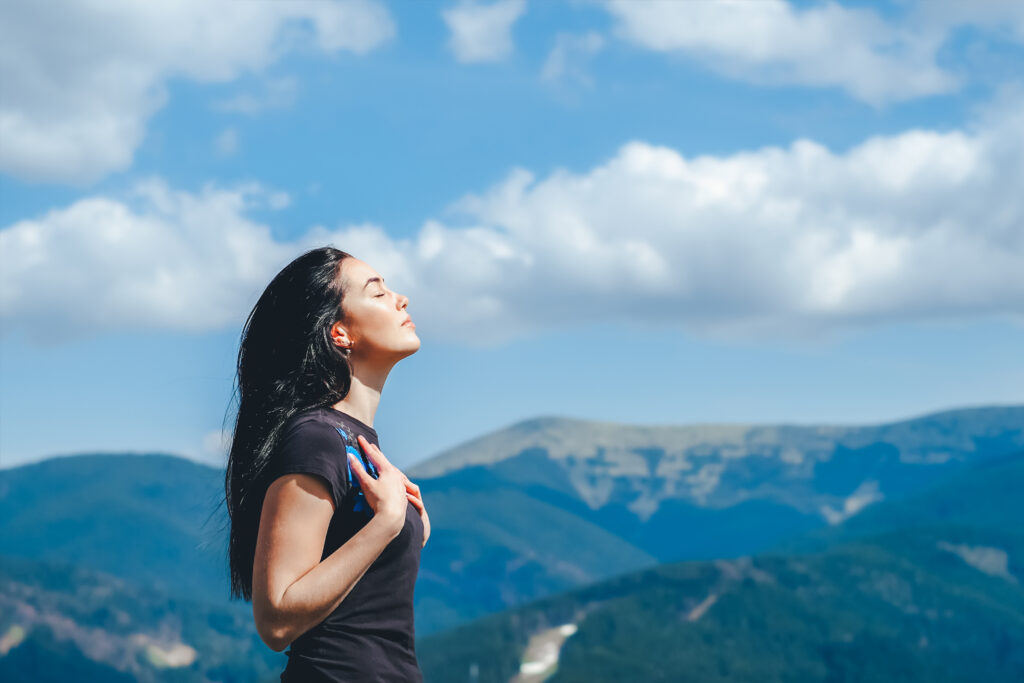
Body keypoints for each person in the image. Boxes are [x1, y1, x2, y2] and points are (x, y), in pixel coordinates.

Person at [223, 246, 430, 682]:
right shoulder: (315, 437)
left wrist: (411, 531)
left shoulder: (355, 442)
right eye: (377, 293)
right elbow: (276, 618)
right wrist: (387, 525)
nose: (401, 299)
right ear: (340, 333)